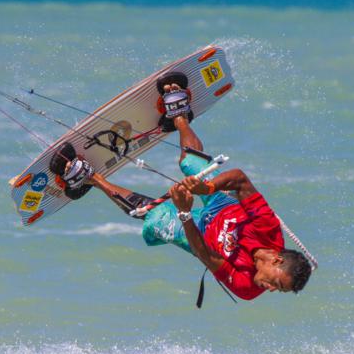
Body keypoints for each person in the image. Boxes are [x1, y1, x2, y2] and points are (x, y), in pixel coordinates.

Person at [62, 83, 312, 300]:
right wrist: (205, 187)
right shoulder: (268, 231)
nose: (269, 289)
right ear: (277, 260)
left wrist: (184, 213)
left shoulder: (247, 287)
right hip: (223, 204)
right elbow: (240, 180)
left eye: (277, 290)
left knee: (153, 217)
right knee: (191, 165)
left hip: (201, 236)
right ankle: (179, 116)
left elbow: (204, 253)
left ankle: (91, 178)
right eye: (276, 284)